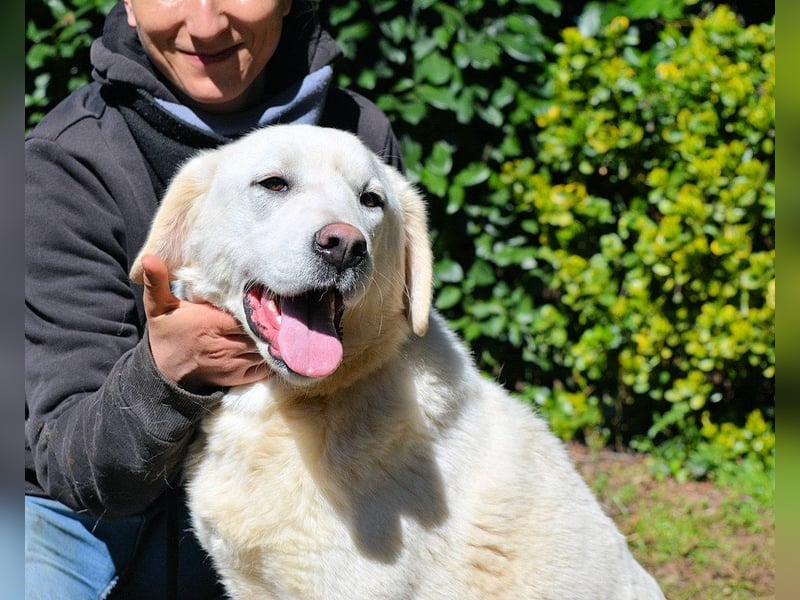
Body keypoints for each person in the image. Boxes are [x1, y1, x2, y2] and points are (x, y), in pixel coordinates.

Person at [24, 1, 404, 598]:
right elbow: (76, 471)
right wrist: (165, 372)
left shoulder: (357, 137)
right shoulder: (66, 163)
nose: (204, 25)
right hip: (93, 513)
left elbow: (394, 344)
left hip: (289, 486)